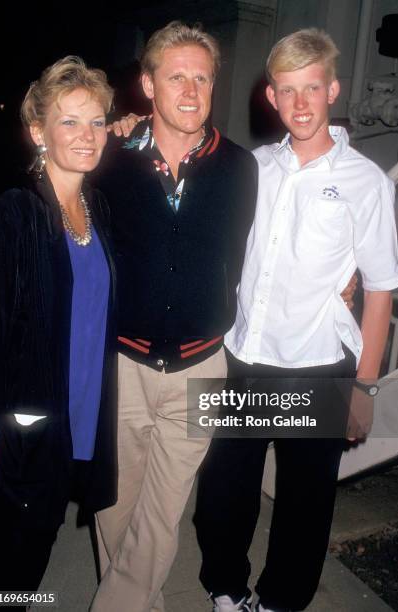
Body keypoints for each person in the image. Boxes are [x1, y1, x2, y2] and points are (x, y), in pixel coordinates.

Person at [194, 28, 398, 612]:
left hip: (320, 365)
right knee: (221, 491)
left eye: (312, 87)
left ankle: (281, 600)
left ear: (332, 88)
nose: (301, 103)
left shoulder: (367, 182)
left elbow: (382, 288)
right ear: (271, 97)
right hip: (243, 355)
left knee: (305, 502)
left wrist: (365, 384)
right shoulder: (251, 166)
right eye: (288, 90)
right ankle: (225, 590)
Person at [90, 21, 258, 612]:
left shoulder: (241, 168)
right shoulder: (107, 161)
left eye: (203, 78)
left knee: (162, 512)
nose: (191, 90)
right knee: (114, 504)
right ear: (148, 85)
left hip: (201, 366)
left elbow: (249, 255)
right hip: (121, 363)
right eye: (176, 76)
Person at [0, 56, 117, 602]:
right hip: (25, 421)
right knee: (11, 556)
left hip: (79, 414)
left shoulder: (98, 208)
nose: (86, 135)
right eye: (69, 121)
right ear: (38, 131)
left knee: (35, 547)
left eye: (96, 121)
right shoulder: (15, 212)